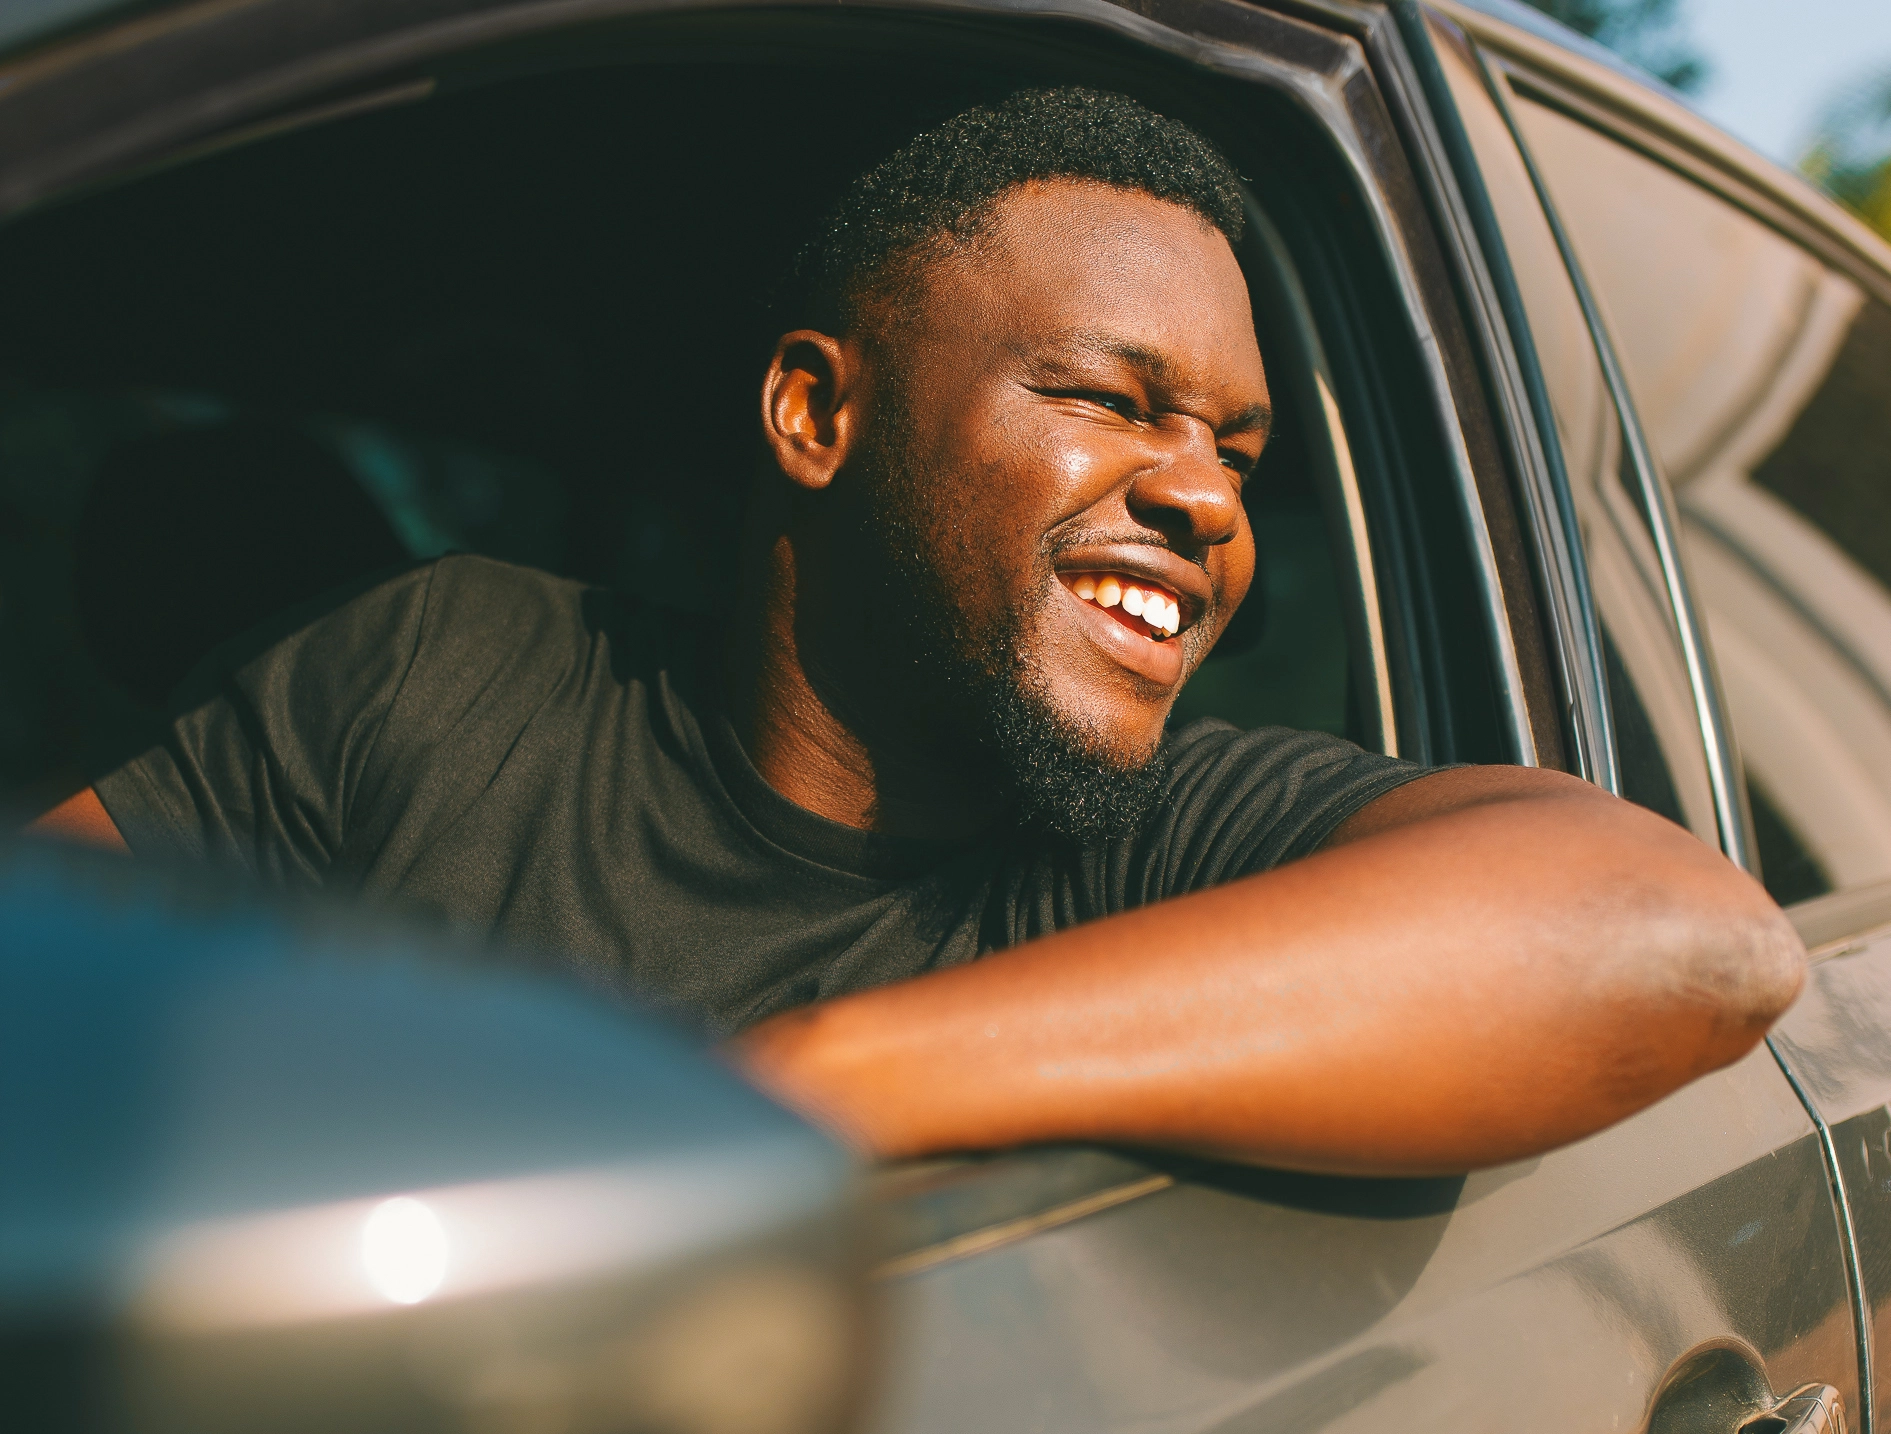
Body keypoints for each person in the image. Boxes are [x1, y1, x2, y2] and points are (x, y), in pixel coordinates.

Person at [31, 88, 1803, 1175]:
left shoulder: (1161, 856)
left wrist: (791, 1092)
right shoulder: (438, 665)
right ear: (816, 417)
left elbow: (1682, 936)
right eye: (1114, 399)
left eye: (1238, 448)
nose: (1205, 496)